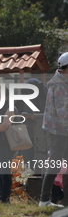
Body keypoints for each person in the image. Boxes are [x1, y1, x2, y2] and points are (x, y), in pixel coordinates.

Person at [38, 52, 68, 207]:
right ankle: (44, 200)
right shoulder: (60, 86)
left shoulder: (61, 80)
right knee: (55, 164)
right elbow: (63, 114)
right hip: (59, 131)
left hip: (59, 130)